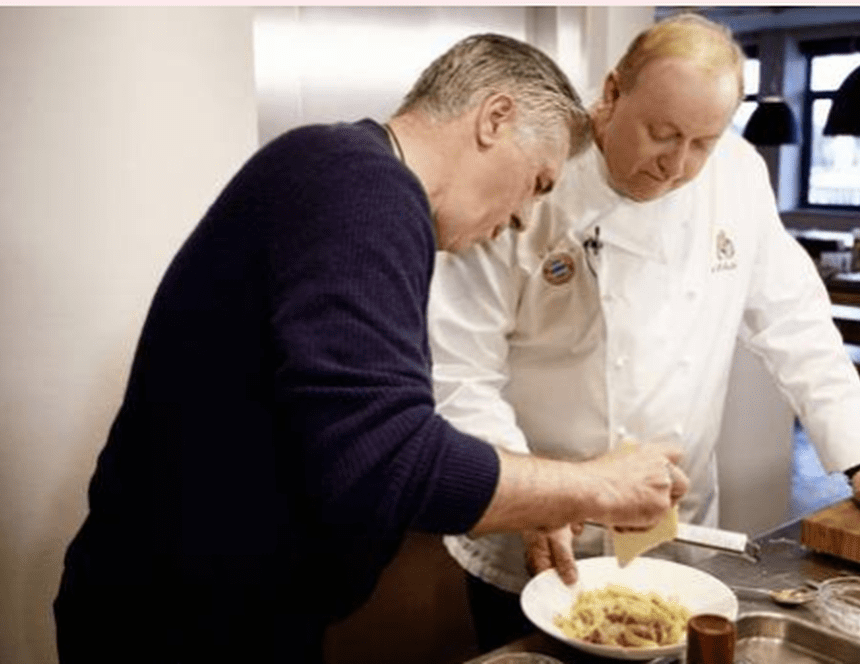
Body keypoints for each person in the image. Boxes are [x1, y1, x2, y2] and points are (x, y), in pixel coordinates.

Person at [53, 33, 690, 664]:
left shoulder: (342, 174)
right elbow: (384, 460)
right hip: (179, 628)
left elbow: (361, 432)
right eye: (538, 182)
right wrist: (594, 487)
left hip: (229, 612)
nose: (524, 216)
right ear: (495, 119)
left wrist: (536, 497)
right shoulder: (363, 188)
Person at [428, 15, 860, 652]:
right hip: (533, 522)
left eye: (702, 142)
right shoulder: (536, 172)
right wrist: (531, 496)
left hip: (664, 521)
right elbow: (462, 373)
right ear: (611, 92)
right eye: (661, 134)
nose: (677, 165)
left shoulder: (736, 175)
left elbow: (794, 321)